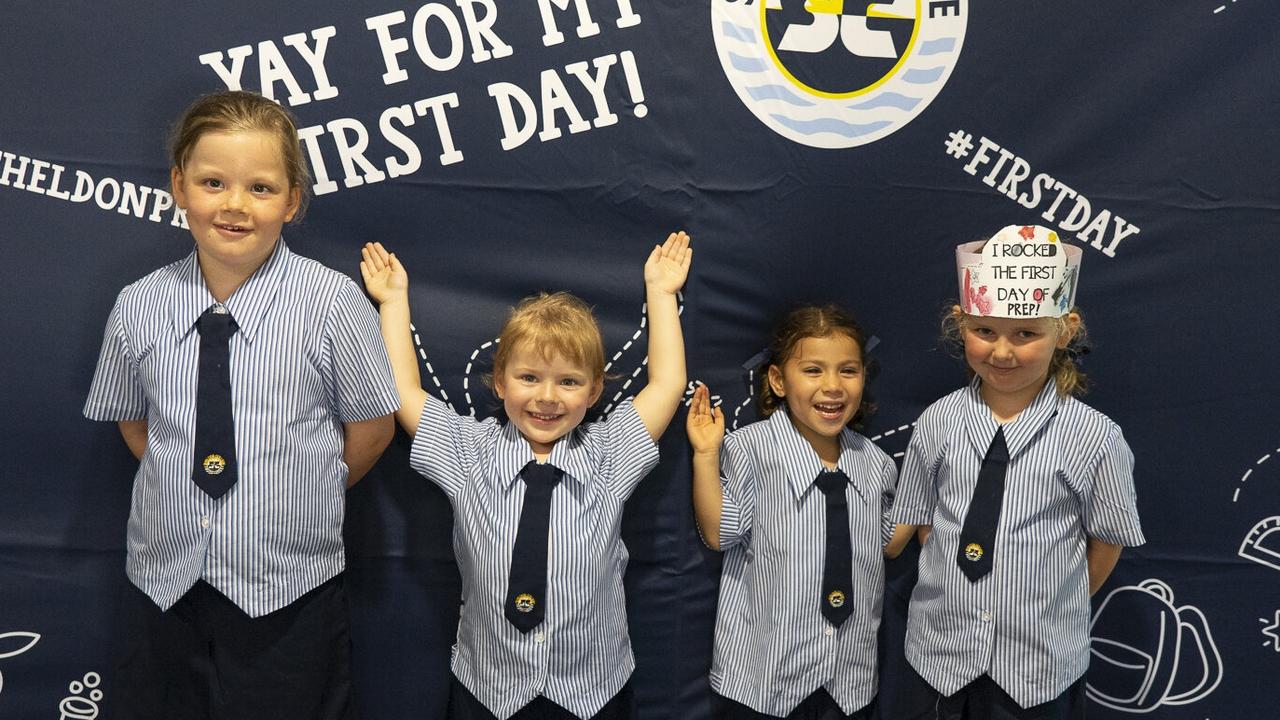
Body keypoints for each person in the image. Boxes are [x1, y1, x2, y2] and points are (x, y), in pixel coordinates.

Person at [83, 90, 399, 719]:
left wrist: (300, 486)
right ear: (179, 186)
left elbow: (371, 430)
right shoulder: (137, 305)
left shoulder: (334, 305)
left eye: (260, 188)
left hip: (289, 593)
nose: (233, 205)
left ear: (292, 200)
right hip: (165, 585)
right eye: (212, 182)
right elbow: (135, 422)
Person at [359, 231, 691, 720]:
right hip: (487, 688)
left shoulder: (611, 455)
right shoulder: (467, 452)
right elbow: (403, 391)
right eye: (529, 377)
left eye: (570, 382)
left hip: (592, 690)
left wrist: (661, 294)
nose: (548, 397)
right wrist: (393, 302)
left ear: (595, 390)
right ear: (500, 381)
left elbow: (666, 383)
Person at [891, 224, 1145, 719]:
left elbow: (1105, 546)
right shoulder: (937, 421)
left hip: (1037, 670)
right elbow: (925, 522)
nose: (1002, 352)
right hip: (938, 658)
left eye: (1025, 334)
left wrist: (1040, 603)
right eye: (984, 331)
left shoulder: (1097, 437)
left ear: (1064, 330)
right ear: (960, 324)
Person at [687, 305, 912, 720]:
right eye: (813, 370)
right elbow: (720, 533)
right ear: (778, 380)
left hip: (849, 681)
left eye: (848, 370)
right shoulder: (750, 450)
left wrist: (925, 482)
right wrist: (705, 454)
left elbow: (890, 544)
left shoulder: (877, 463)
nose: (833, 386)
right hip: (765, 680)